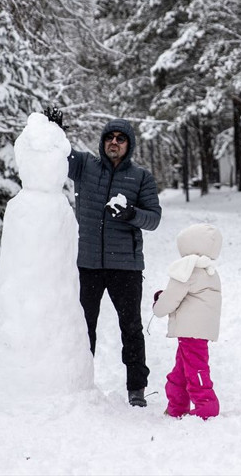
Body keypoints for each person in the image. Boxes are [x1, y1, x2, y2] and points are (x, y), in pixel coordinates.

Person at [45, 108, 161, 407]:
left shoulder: (141, 178)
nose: (114, 142)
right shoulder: (85, 166)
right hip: (89, 265)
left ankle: (136, 389)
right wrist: (54, 130)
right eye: (109, 137)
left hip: (126, 266)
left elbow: (154, 219)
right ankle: (81, 383)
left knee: (131, 328)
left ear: (129, 144)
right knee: (83, 327)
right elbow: (60, 156)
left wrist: (131, 213)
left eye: (121, 138)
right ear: (102, 142)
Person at [152, 223, 222, 420]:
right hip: (201, 330)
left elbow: (171, 298)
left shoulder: (187, 269)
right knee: (181, 371)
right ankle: (177, 406)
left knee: (195, 368)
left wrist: (158, 305)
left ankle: (206, 405)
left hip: (190, 330)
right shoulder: (210, 271)